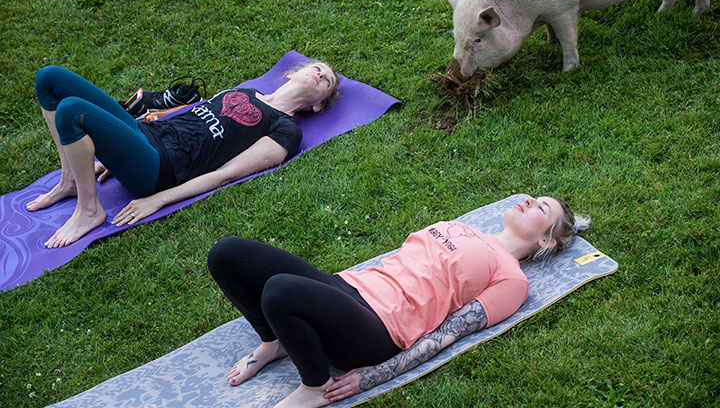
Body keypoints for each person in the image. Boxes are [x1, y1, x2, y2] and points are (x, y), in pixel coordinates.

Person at [207, 195, 590, 408]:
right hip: (351, 288)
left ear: (546, 242)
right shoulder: (463, 226)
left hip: (379, 328)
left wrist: (376, 375)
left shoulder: (512, 278)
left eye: (541, 207)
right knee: (227, 254)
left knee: (280, 291)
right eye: (532, 196)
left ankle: (314, 388)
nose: (528, 199)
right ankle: (275, 341)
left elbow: (451, 332)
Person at [27, 61, 339, 248]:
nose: (321, 75)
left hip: (160, 167)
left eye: (327, 81)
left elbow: (226, 174)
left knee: (71, 111)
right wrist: (117, 146)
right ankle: (71, 178)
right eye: (317, 68)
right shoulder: (248, 92)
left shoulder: (286, 130)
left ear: (318, 106)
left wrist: (160, 199)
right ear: (290, 74)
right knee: (49, 78)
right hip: (146, 136)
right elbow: (194, 115)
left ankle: (89, 209)